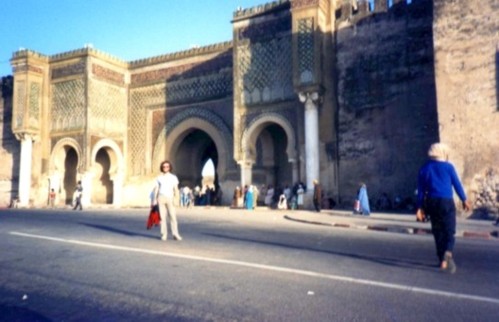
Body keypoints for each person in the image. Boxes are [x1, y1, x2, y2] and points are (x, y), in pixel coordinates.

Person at [416, 143, 471, 274]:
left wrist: (419, 208)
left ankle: (442, 260)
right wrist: (464, 199)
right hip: (446, 201)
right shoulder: (449, 167)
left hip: (432, 202)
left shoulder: (425, 168)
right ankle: (448, 252)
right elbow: (457, 184)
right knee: (449, 230)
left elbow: (421, 191)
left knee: (438, 232)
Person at [151, 160, 182, 241]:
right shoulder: (159, 178)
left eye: (167, 166)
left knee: (173, 217)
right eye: (164, 166)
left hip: (170, 198)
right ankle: (164, 234)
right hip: (161, 198)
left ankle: (175, 234)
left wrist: (177, 199)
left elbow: (176, 189)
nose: (166, 168)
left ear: (170, 167)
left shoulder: (173, 177)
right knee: (162, 217)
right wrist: (154, 199)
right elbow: (156, 189)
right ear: (162, 168)